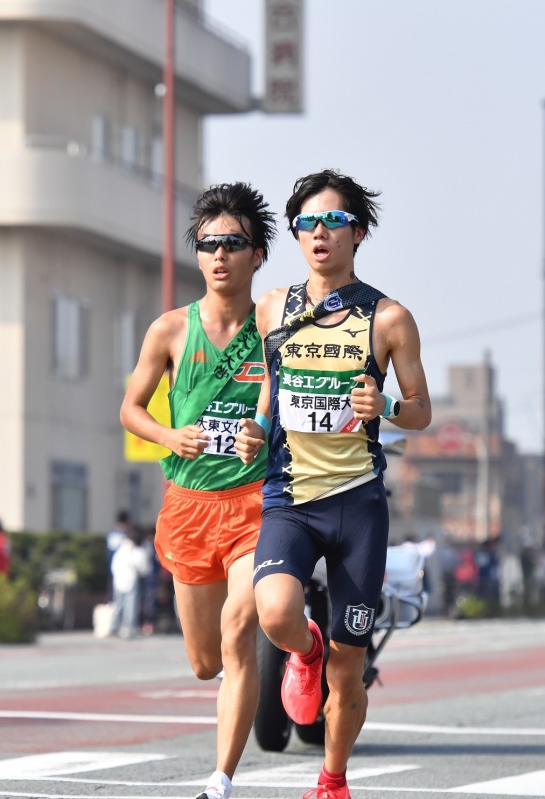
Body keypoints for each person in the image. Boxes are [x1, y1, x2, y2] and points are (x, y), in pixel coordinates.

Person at [235, 170, 431, 799]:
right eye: (306, 224)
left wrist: (389, 409)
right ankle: (305, 647)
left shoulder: (389, 318)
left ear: (358, 233)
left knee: (350, 669)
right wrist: (259, 425)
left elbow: (422, 409)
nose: (319, 234)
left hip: (358, 506)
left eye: (333, 222)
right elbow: (271, 379)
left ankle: (332, 779)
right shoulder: (272, 305)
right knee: (275, 613)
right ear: (296, 236)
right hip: (289, 498)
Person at [120, 182, 276, 799]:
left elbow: (303, 385)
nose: (219, 256)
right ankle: (286, 632)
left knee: (240, 631)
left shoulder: (273, 325)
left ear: (257, 254)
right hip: (188, 507)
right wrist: (169, 434)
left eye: (233, 244)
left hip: (257, 503)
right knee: (205, 661)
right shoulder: (169, 331)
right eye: (208, 244)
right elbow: (130, 410)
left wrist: (263, 429)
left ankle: (221, 781)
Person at [107, 525, 151, 639]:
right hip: (131, 580)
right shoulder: (138, 551)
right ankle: (129, 629)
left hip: (118, 580)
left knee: (118, 605)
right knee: (131, 607)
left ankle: (114, 627)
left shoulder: (121, 548)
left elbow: (114, 565)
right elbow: (144, 569)